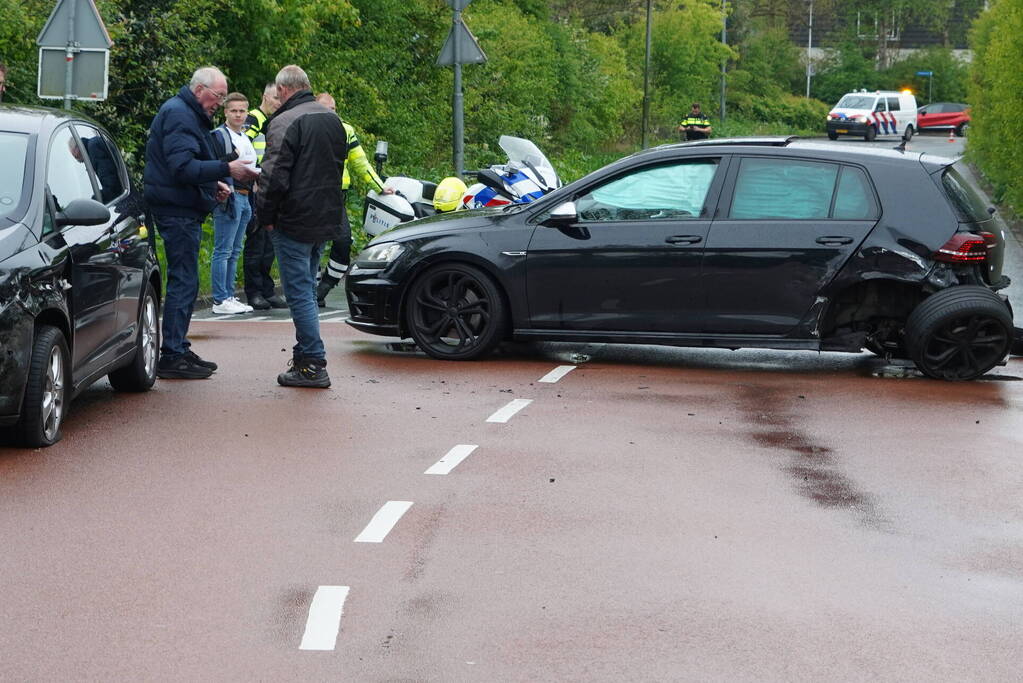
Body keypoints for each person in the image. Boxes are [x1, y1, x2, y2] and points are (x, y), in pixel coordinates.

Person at [144, 66, 258, 379]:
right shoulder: (181, 114)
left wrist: (212, 185)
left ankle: (177, 347)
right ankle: (172, 354)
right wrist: (226, 169)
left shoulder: (186, 112)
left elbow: (184, 166)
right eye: (218, 97)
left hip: (181, 206)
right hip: (176, 210)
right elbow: (181, 167)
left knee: (187, 279)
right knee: (184, 280)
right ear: (199, 90)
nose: (219, 104)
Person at [258, 65, 348, 388]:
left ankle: (312, 361)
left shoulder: (284, 122)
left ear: (283, 91)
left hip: (293, 220)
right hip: (325, 217)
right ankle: (305, 353)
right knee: (308, 288)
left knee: (298, 293)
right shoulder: (333, 121)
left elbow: (273, 177)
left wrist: (264, 216)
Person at [312, 92, 387, 307]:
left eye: (333, 108)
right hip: (313, 194)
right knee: (313, 242)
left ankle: (325, 286)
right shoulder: (308, 129)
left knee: (343, 241)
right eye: (325, 108)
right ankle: (311, 289)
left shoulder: (346, 130)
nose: (330, 112)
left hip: (336, 196)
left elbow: (360, 162)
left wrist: (381, 187)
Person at [209, 92, 258, 315]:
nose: (238, 115)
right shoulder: (219, 136)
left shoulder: (246, 137)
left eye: (242, 111)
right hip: (229, 195)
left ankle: (228, 295)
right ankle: (220, 299)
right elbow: (213, 164)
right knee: (223, 249)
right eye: (234, 111)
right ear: (225, 112)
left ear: (247, 113)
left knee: (235, 249)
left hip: (246, 195)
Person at [242, 83, 287, 311]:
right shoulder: (255, 118)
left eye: (280, 99)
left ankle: (267, 289)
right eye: (274, 98)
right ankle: (254, 292)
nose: (278, 103)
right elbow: (242, 144)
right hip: (256, 186)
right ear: (264, 97)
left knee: (269, 243)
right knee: (256, 242)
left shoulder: (274, 121)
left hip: (269, 186)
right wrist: (255, 177)